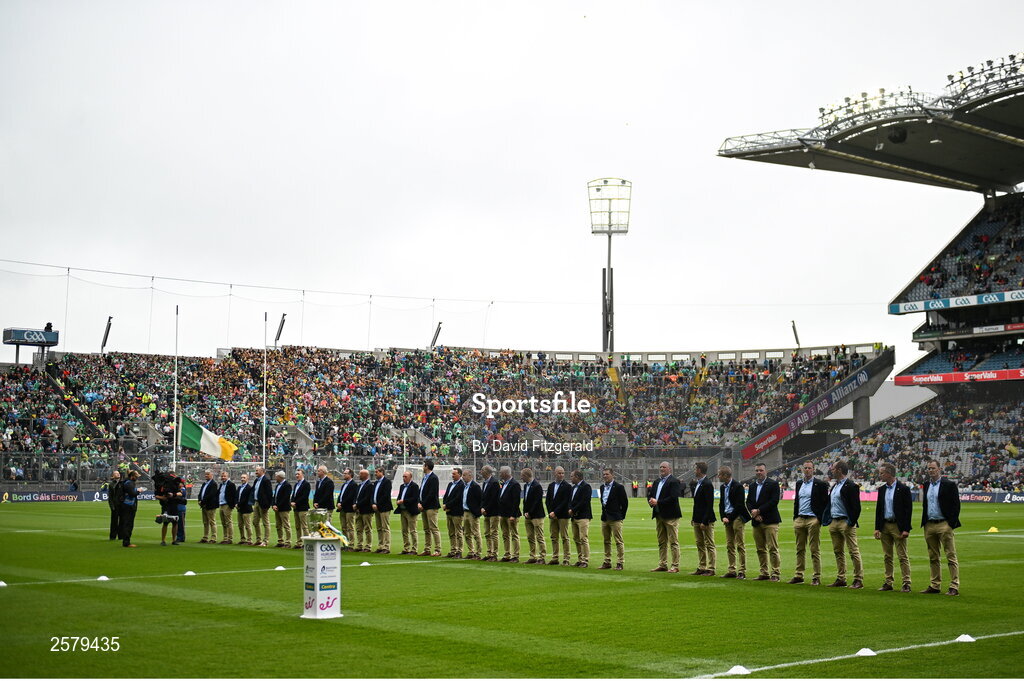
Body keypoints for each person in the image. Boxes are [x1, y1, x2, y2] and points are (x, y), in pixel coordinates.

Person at [920, 459, 961, 596]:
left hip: (944, 523)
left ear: (939, 469)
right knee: (933, 556)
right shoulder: (926, 485)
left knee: (950, 555)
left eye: (932, 468)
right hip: (930, 524)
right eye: (929, 468)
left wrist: (951, 524)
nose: (930, 470)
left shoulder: (949, 485)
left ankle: (954, 585)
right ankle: (935, 584)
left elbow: (956, 505)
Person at [874, 463, 913, 592]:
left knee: (902, 556)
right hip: (885, 525)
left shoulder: (903, 489)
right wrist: (877, 528)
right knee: (887, 556)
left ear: (889, 473)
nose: (880, 475)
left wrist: (906, 528)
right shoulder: (882, 489)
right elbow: (879, 510)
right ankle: (888, 581)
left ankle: (906, 582)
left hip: (898, 526)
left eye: (882, 473)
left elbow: (908, 510)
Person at [825, 460, 863, 589]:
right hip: (834, 521)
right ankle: (841, 578)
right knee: (838, 551)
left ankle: (858, 579)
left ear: (839, 470)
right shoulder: (835, 486)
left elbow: (856, 507)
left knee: (853, 551)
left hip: (845, 522)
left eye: (833, 468)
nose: (831, 470)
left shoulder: (851, 485)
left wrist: (850, 522)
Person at [790, 461, 828, 585]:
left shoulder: (820, 484)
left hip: (813, 519)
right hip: (800, 518)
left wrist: (819, 518)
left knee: (814, 548)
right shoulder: (799, 483)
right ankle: (799, 574)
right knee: (799, 548)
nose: (807, 470)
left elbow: (825, 503)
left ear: (814, 470)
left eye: (809, 468)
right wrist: (795, 517)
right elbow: (797, 501)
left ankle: (816, 576)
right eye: (805, 468)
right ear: (802, 470)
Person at [747, 463, 782, 582]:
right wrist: (754, 513)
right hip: (757, 521)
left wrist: (759, 511)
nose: (758, 472)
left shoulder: (773, 484)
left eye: (761, 470)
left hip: (770, 520)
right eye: (757, 470)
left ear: (766, 471)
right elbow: (748, 502)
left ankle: (776, 572)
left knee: (773, 548)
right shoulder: (752, 486)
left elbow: (774, 501)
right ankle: (764, 572)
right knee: (760, 548)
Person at [648, 460, 682, 573]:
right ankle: (663, 564)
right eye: (660, 467)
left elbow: (673, 498)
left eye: (664, 467)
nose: (662, 469)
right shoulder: (657, 481)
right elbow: (651, 494)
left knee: (673, 541)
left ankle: (675, 565)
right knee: (661, 541)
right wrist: (650, 501)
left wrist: (658, 502)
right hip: (659, 514)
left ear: (669, 469)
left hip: (671, 515)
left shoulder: (674, 481)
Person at [718, 465, 749, 579]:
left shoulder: (738, 486)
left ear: (726, 475)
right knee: (730, 544)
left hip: (737, 517)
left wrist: (729, 518)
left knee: (740, 544)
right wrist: (723, 517)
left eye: (720, 474)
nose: (718, 476)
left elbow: (740, 505)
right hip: (727, 517)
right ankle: (732, 569)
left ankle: (742, 570)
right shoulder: (722, 487)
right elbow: (721, 503)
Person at [598, 467, 628, 570]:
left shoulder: (619, 487)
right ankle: (607, 561)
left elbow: (624, 503)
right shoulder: (602, 487)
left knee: (618, 541)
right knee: (606, 540)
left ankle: (620, 562)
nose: (605, 476)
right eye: (604, 474)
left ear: (612, 475)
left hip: (615, 518)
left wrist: (621, 516)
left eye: (607, 474)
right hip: (605, 517)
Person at [690, 461, 717, 576]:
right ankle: (702, 566)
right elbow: (697, 504)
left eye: (695, 469)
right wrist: (694, 518)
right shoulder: (698, 483)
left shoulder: (707, 484)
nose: (694, 471)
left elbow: (709, 504)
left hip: (705, 520)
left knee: (709, 543)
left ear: (699, 470)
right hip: (697, 519)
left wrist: (704, 521)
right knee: (699, 543)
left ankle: (711, 568)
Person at [545, 466, 572, 566]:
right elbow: (547, 500)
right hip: (553, 516)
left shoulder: (567, 486)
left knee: (564, 537)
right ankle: (555, 557)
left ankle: (566, 558)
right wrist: (550, 512)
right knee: (554, 537)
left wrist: (555, 512)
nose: (561, 475)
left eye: (562, 473)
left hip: (563, 515)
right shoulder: (551, 485)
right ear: (554, 473)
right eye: (559, 473)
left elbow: (565, 502)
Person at [521, 468, 546, 564]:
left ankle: (542, 557)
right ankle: (533, 556)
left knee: (539, 536)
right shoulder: (526, 486)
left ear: (527, 476)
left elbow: (537, 502)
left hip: (536, 515)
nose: (521, 477)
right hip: (528, 515)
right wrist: (525, 512)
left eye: (522, 475)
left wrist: (530, 512)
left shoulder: (537, 486)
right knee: (530, 536)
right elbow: (525, 501)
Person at [568, 470, 592, 568]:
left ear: (577, 477)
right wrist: (570, 509)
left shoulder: (586, 487)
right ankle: (580, 558)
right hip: (574, 516)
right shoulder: (573, 488)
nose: (570, 478)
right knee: (576, 538)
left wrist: (573, 510)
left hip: (583, 516)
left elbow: (584, 501)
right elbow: (570, 500)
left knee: (583, 538)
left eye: (572, 476)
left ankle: (585, 560)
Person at [497, 465, 521, 562]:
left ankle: (515, 555)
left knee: (514, 534)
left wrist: (513, 515)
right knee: (505, 535)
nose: (499, 474)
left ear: (506, 473)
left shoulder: (515, 484)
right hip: (503, 514)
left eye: (501, 472)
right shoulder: (502, 483)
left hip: (511, 514)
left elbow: (516, 501)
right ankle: (507, 554)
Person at [418, 460, 442, 557]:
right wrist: (419, 502)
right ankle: (427, 549)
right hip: (424, 506)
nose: (423, 467)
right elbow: (421, 491)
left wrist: (422, 503)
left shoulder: (433, 478)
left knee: (433, 528)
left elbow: (432, 494)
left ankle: (438, 549)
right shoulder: (425, 478)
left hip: (431, 506)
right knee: (426, 529)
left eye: (424, 465)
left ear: (427, 466)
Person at [479, 465, 501, 561]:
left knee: (494, 533)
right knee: (487, 533)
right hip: (486, 512)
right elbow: (484, 498)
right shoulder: (485, 483)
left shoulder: (494, 482)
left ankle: (494, 554)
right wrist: (482, 508)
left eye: (482, 470)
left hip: (494, 512)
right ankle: (489, 552)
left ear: (487, 472)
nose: (481, 471)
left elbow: (494, 498)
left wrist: (485, 508)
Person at [442, 468, 465, 558]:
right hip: (449, 512)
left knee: (458, 532)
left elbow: (458, 498)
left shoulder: (461, 485)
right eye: (452, 474)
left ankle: (459, 551)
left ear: (459, 474)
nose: (452, 475)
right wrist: (445, 504)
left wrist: (447, 505)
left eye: (454, 474)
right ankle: (453, 550)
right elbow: (446, 496)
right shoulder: (450, 484)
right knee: (451, 532)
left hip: (457, 512)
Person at [396, 470, 420, 555]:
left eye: (405, 477)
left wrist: (403, 501)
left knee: (413, 530)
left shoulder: (414, 486)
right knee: (404, 530)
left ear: (410, 477)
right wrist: (398, 500)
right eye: (403, 476)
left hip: (411, 511)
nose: (404, 478)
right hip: (403, 510)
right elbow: (399, 495)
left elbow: (414, 498)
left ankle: (414, 549)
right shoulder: (402, 486)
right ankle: (406, 548)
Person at [461, 469, 482, 559]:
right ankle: (471, 551)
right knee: (466, 533)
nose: (463, 477)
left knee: (476, 533)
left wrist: (477, 512)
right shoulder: (464, 486)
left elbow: (480, 500)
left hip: (472, 513)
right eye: (462, 475)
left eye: (464, 475)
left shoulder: (475, 486)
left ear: (470, 476)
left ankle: (478, 553)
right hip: (465, 512)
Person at [371, 467, 393, 553]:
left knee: (385, 527)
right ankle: (380, 546)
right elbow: (373, 494)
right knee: (379, 528)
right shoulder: (376, 483)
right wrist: (372, 503)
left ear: (382, 472)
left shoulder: (387, 482)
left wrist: (377, 504)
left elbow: (386, 495)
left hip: (384, 507)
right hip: (376, 508)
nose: (375, 474)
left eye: (377, 472)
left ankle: (386, 547)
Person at [251, 465, 273, 547]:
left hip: (263, 504)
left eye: (257, 470)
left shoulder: (266, 480)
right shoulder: (256, 480)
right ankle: (258, 539)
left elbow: (269, 494)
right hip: (256, 502)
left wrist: (267, 506)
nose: (256, 472)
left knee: (265, 523)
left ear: (262, 471)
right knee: (255, 522)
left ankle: (265, 541)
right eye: (256, 470)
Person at [335, 468, 358, 549]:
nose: (343, 474)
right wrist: (338, 502)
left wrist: (341, 503)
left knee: (350, 527)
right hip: (342, 509)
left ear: (350, 474)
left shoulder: (353, 484)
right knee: (344, 527)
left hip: (349, 509)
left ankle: (351, 544)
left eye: (345, 473)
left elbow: (350, 497)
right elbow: (341, 495)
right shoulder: (344, 484)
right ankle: (345, 544)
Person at [353, 469, 374, 553]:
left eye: (361, 474)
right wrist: (355, 503)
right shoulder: (359, 485)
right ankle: (359, 545)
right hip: (359, 510)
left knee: (367, 528)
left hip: (366, 510)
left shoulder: (369, 485)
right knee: (359, 529)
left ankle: (368, 546)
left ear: (366, 475)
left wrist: (357, 505)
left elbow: (367, 498)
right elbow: (356, 496)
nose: (359, 475)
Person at [197, 469, 219, 544]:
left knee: (212, 521)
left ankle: (213, 537)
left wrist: (202, 501)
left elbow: (211, 495)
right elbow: (201, 493)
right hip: (204, 505)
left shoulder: (214, 484)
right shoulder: (204, 483)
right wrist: (199, 499)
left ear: (211, 475)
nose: (206, 475)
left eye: (208, 474)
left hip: (210, 505)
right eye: (205, 474)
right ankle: (205, 537)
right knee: (205, 522)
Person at [271, 471, 293, 548]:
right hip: (277, 508)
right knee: (278, 525)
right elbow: (275, 496)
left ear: (280, 477)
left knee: (286, 525)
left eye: (276, 476)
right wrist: (273, 504)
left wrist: (277, 505)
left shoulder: (287, 485)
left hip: (284, 508)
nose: (275, 478)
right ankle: (280, 541)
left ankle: (288, 542)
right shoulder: (277, 486)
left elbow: (285, 498)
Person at [290, 469, 311, 548]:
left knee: (304, 526)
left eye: (298, 474)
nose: (297, 475)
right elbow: (293, 495)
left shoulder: (306, 484)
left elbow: (304, 496)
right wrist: (292, 501)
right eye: (296, 474)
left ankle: (307, 543)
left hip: (303, 508)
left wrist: (295, 503)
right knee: (297, 526)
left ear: (303, 475)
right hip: (296, 508)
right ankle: (299, 542)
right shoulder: (296, 485)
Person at [120, 470, 140, 548]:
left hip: (129, 505)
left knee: (128, 523)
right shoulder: (129, 483)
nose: (137, 478)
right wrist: (138, 491)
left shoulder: (129, 482)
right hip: (128, 505)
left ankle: (126, 540)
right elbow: (132, 494)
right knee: (128, 524)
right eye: (136, 477)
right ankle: (126, 542)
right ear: (132, 477)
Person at [218, 470, 237, 545]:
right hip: (221, 504)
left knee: (228, 522)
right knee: (223, 522)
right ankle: (225, 538)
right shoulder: (221, 485)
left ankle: (230, 538)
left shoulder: (231, 484)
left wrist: (232, 505)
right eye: (222, 476)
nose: (223, 477)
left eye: (224, 476)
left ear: (228, 477)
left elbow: (234, 495)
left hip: (227, 505)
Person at [236, 473, 254, 545]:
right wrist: (236, 503)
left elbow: (246, 499)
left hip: (246, 509)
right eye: (241, 477)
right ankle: (242, 539)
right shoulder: (239, 487)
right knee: (240, 525)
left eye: (244, 478)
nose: (242, 479)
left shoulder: (249, 488)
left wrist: (238, 504)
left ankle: (249, 540)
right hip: (240, 508)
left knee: (247, 525)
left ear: (247, 479)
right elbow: (236, 496)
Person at [107, 469, 123, 541]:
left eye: (118, 473)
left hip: (122, 505)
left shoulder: (122, 483)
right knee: (114, 522)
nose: (118, 474)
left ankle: (121, 536)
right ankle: (112, 536)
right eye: (116, 473)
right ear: (113, 476)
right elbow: (110, 497)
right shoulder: (111, 484)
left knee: (122, 521)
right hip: (115, 505)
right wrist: (112, 506)